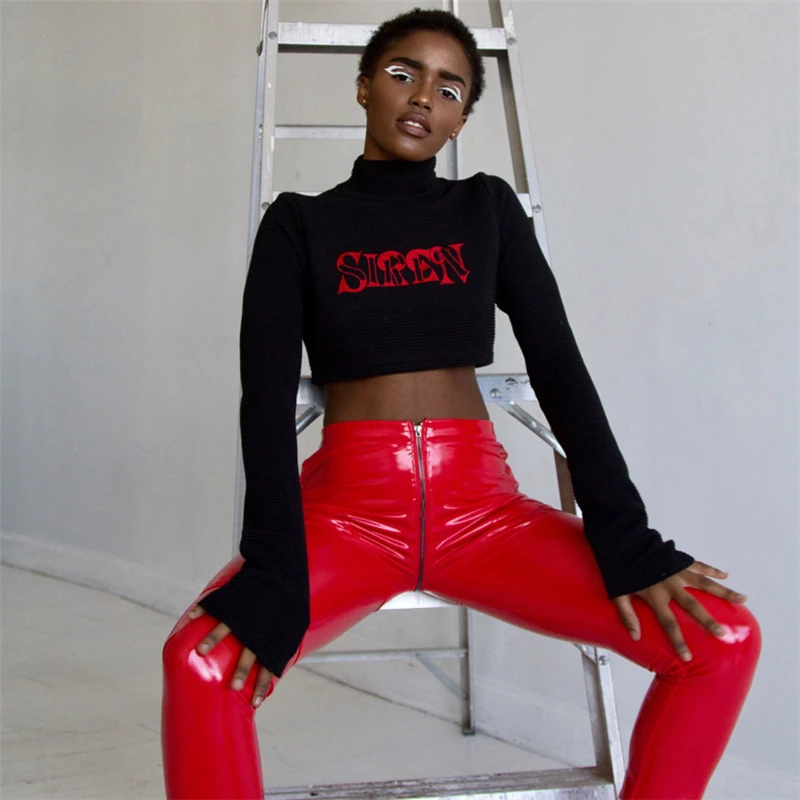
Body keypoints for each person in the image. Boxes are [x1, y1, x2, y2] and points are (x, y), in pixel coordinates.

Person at [160, 8, 761, 799]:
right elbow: (264, 403)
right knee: (199, 662)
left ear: (461, 120)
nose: (423, 97)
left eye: (449, 89)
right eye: (403, 73)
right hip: (349, 511)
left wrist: (628, 537)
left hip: (483, 512)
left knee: (724, 637)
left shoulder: (487, 208)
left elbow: (561, 370)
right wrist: (273, 566)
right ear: (364, 85)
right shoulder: (300, 223)